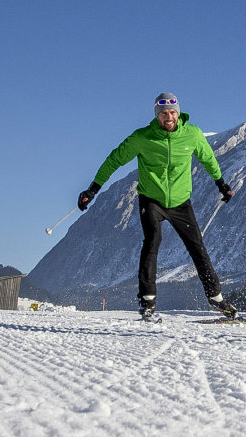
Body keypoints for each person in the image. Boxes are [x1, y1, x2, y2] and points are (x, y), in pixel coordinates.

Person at [77, 92, 237, 321]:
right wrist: (92, 190)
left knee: (197, 248)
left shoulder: (192, 134)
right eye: (163, 113)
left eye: (172, 112)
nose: (168, 117)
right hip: (151, 200)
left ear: (178, 113)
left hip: (181, 203)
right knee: (152, 242)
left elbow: (208, 159)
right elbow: (114, 160)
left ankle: (217, 298)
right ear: (157, 116)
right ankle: (147, 303)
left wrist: (222, 184)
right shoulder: (142, 138)